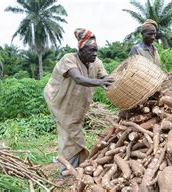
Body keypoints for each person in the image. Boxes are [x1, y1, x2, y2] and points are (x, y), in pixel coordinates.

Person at [43, 28, 114, 177]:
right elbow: (78, 78)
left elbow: (106, 78)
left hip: (77, 103)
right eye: (91, 50)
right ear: (81, 49)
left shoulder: (97, 63)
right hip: (60, 100)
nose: (94, 53)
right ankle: (65, 173)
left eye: (96, 50)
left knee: (73, 130)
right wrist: (100, 82)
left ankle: (76, 167)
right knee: (70, 131)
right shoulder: (69, 59)